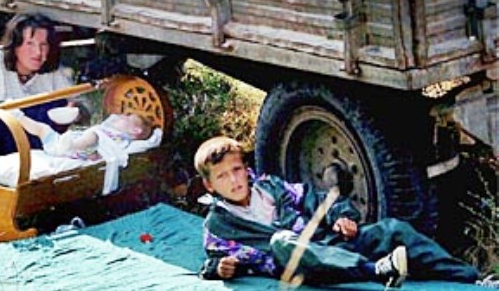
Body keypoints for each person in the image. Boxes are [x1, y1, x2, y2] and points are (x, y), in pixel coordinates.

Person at [194, 136, 491, 288]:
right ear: (209, 185)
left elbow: (318, 199)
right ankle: (377, 270)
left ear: (245, 169)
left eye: (236, 170)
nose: (234, 181)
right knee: (281, 241)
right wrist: (218, 269)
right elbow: (214, 260)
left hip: (331, 244)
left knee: (392, 230)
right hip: (300, 266)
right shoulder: (218, 225)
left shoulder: (270, 187)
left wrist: (340, 216)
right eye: (222, 176)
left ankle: (472, 279)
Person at [0, 13, 91, 162]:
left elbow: (82, 105)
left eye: (43, 45)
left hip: (33, 142)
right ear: (15, 45)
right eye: (30, 44)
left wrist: (76, 111)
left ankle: (40, 159)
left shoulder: (53, 71)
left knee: (56, 105)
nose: (38, 52)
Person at [17, 110, 153, 159]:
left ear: (136, 131)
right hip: (61, 145)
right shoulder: (108, 129)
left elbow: (108, 151)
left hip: (78, 150)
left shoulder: (122, 138)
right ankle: (18, 116)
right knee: (43, 129)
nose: (122, 116)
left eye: (127, 117)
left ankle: (71, 145)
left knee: (94, 135)